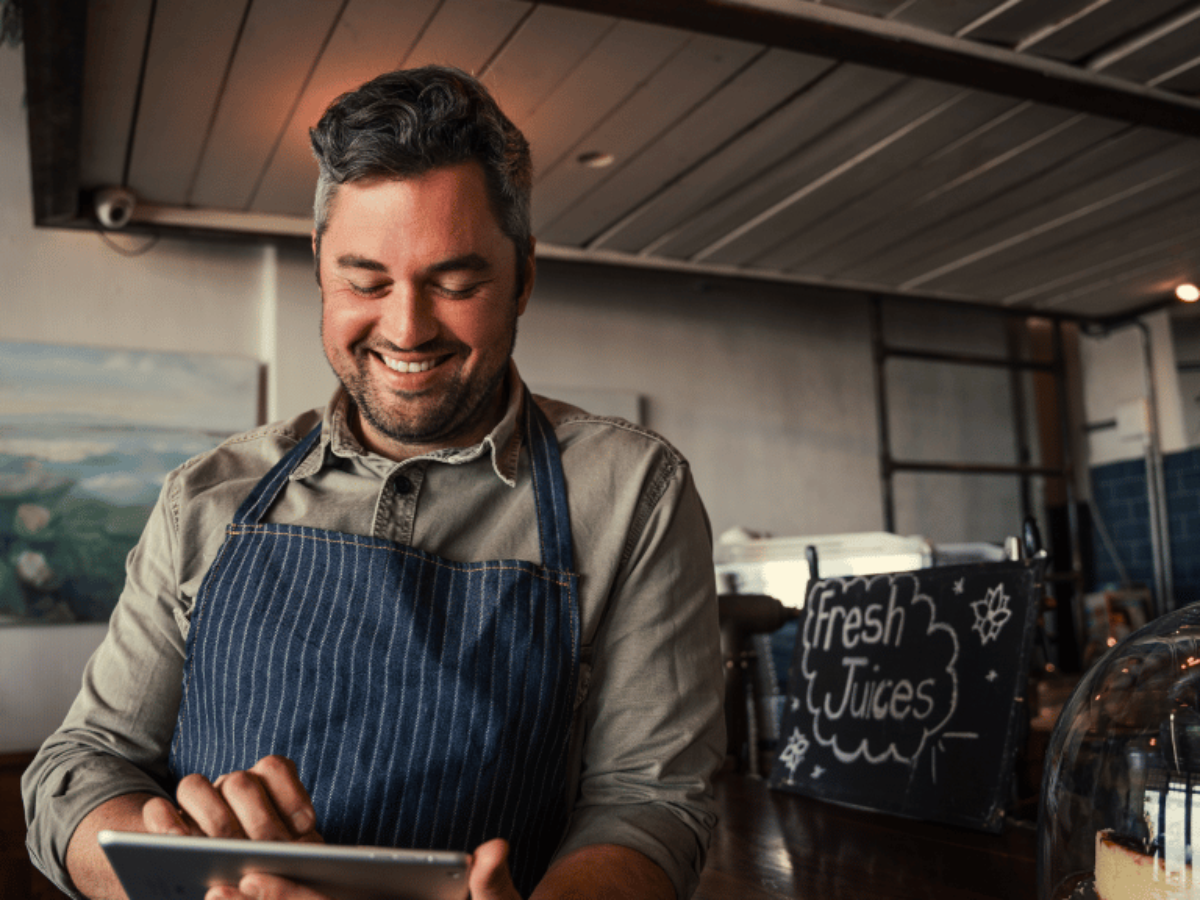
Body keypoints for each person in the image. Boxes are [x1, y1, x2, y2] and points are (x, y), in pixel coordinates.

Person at [23, 66, 725, 900]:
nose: (406, 328)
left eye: (456, 283)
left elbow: (649, 804)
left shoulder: (633, 492)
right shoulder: (207, 495)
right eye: (365, 281)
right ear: (319, 266)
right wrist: (184, 871)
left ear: (524, 277)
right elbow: (77, 770)